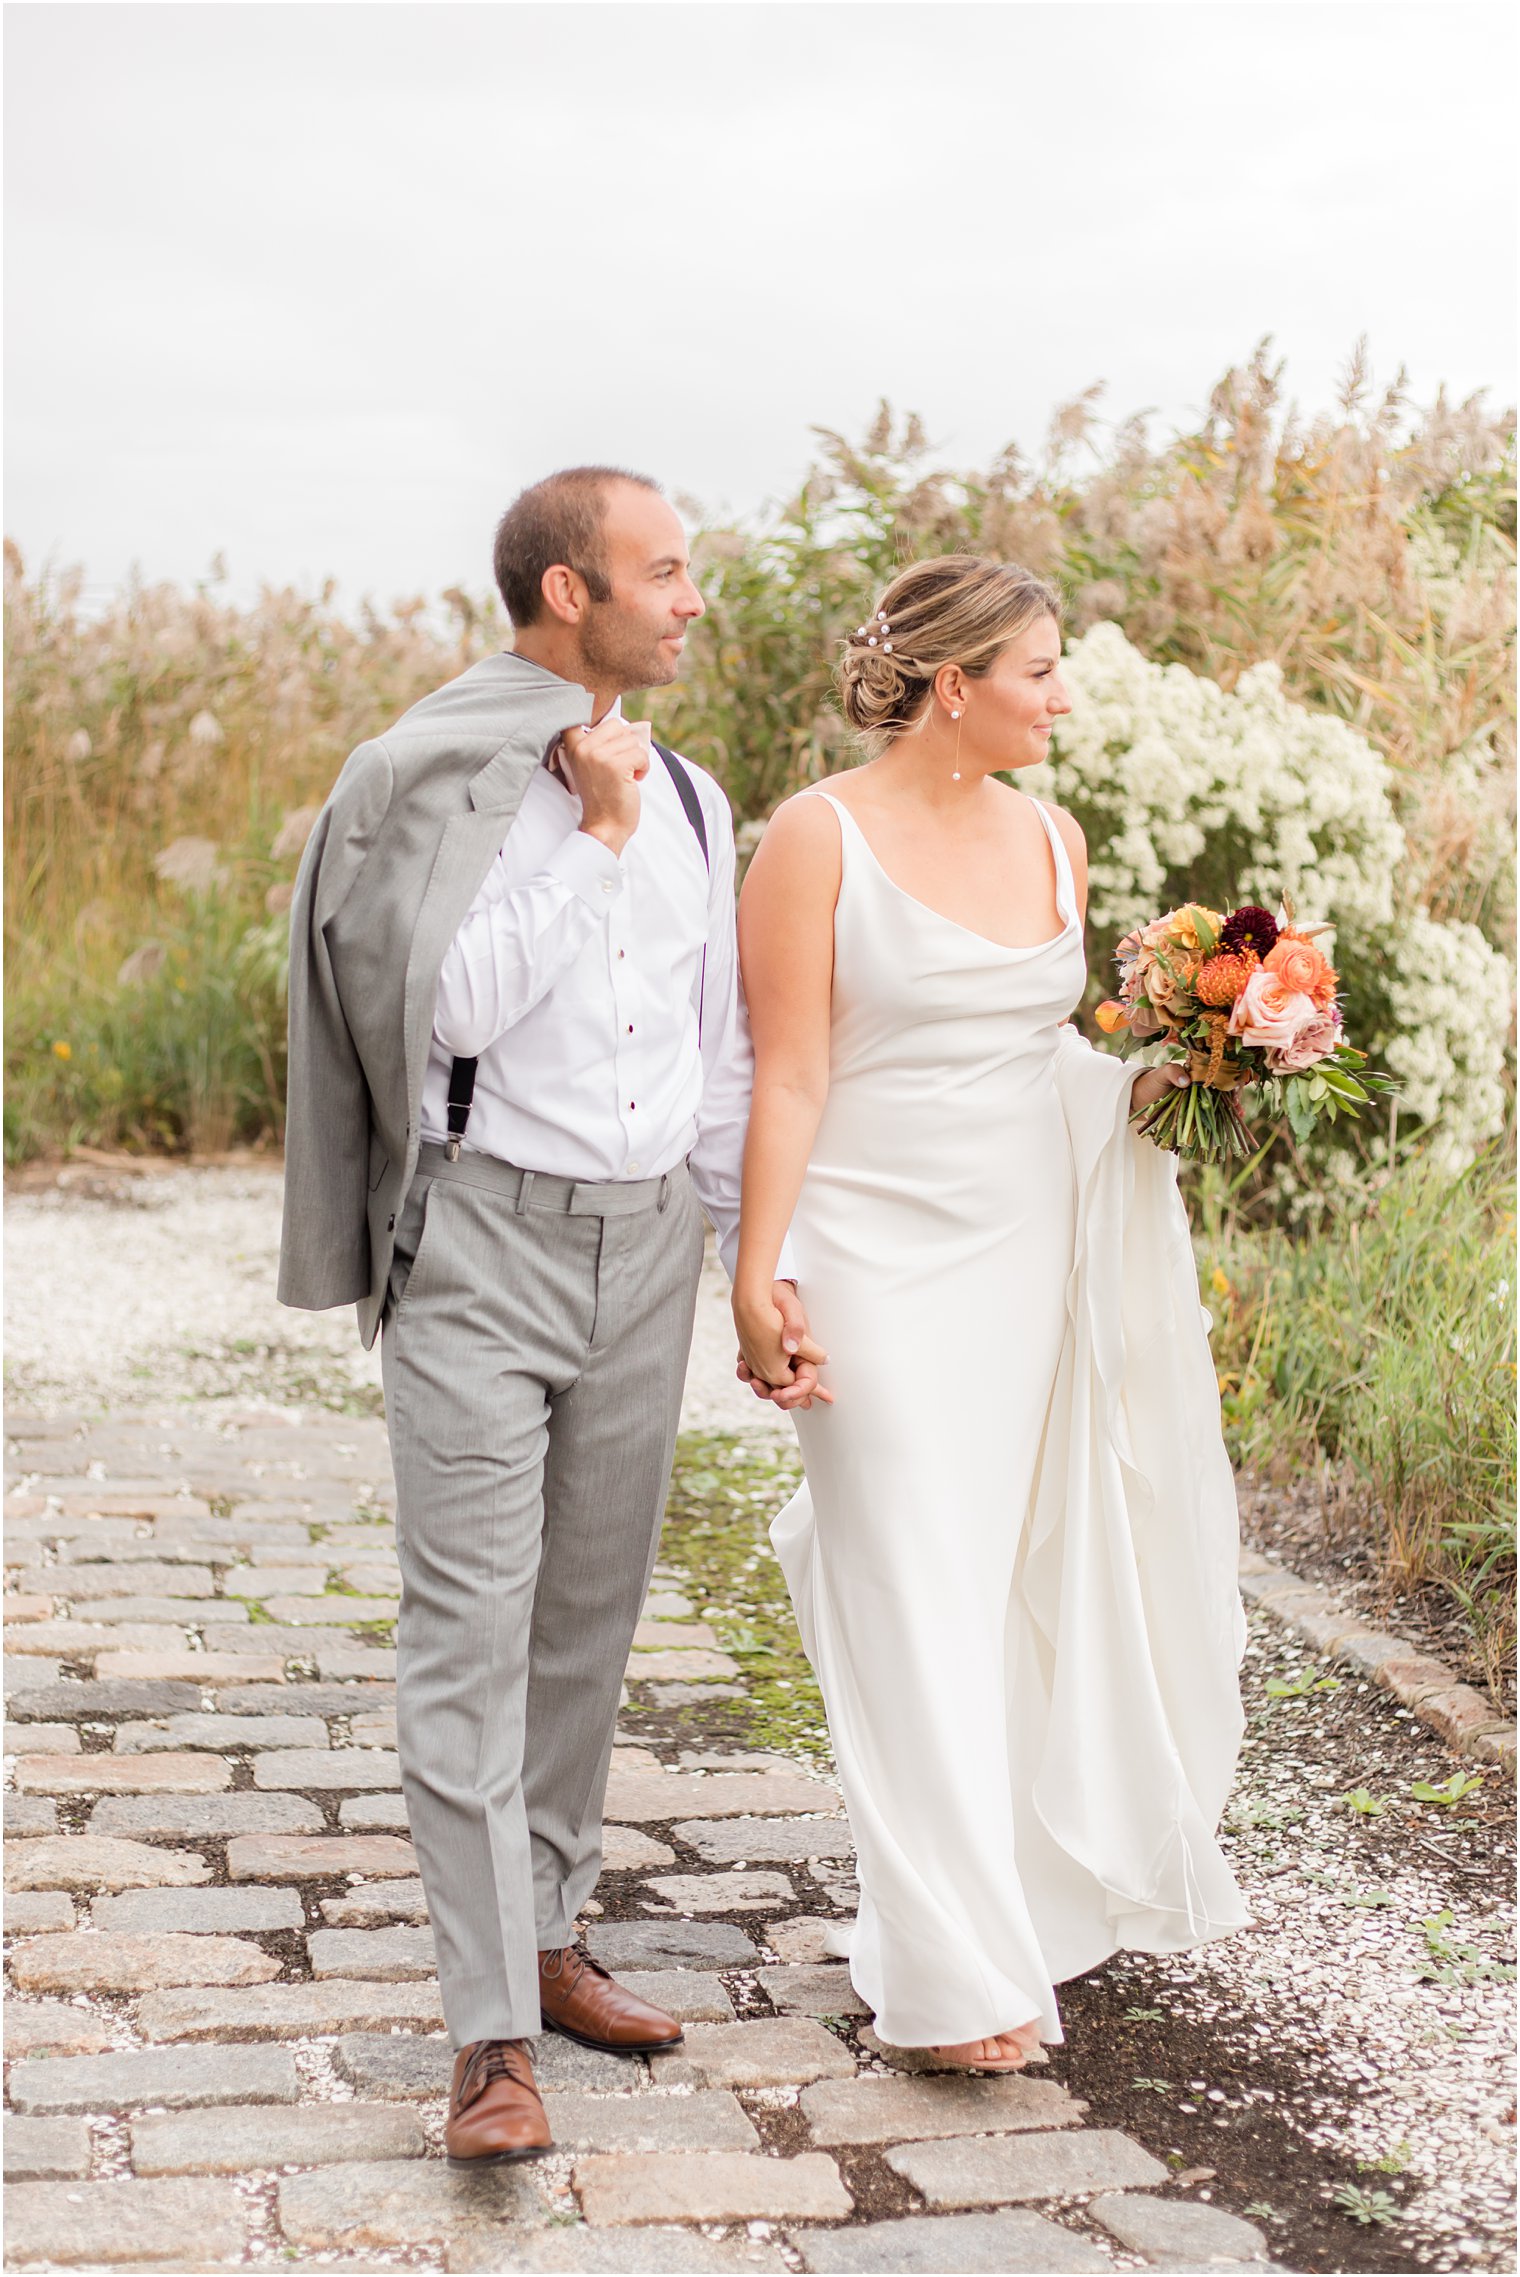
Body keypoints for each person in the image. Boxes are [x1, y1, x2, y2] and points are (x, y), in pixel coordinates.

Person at [278, 466, 823, 2163]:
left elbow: (715, 1040)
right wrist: (585, 841)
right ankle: (485, 2032)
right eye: (663, 572)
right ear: (566, 593)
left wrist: (743, 1252)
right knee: (467, 1634)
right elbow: (436, 1010)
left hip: (645, 1247)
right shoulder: (429, 776)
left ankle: (555, 1929)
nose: (690, 599)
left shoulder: (700, 794)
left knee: (589, 1623)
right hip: (481, 1249)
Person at [733, 555, 1251, 2072]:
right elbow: (790, 1076)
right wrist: (757, 1278)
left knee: (994, 1578)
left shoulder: (1054, 835)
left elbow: (1047, 1067)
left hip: (1028, 1248)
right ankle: (959, 1977)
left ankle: (972, 1907)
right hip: (872, 1256)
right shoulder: (812, 839)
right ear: (952, 685)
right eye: (1040, 671)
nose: (1065, 696)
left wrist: (1205, 1062)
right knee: (903, 1581)